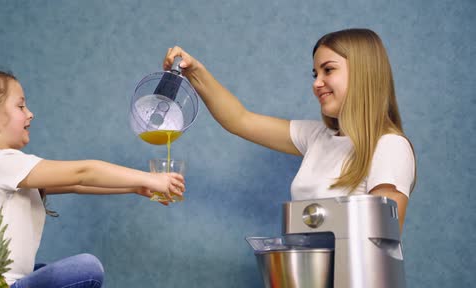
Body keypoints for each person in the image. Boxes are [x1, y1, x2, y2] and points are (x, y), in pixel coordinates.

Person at [0, 69, 185, 288]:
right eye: (21, 107)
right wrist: (150, 179)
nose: (30, 114)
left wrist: (135, 187)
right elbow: (84, 172)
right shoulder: (2, 162)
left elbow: (77, 184)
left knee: (49, 276)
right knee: (88, 269)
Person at [163, 28, 415, 230]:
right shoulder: (318, 138)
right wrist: (195, 72)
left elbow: (382, 237)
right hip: (310, 282)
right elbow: (240, 120)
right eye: (315, 73)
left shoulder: (389, 146)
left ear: (364, 73)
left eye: (328, 70)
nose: (317, 83)